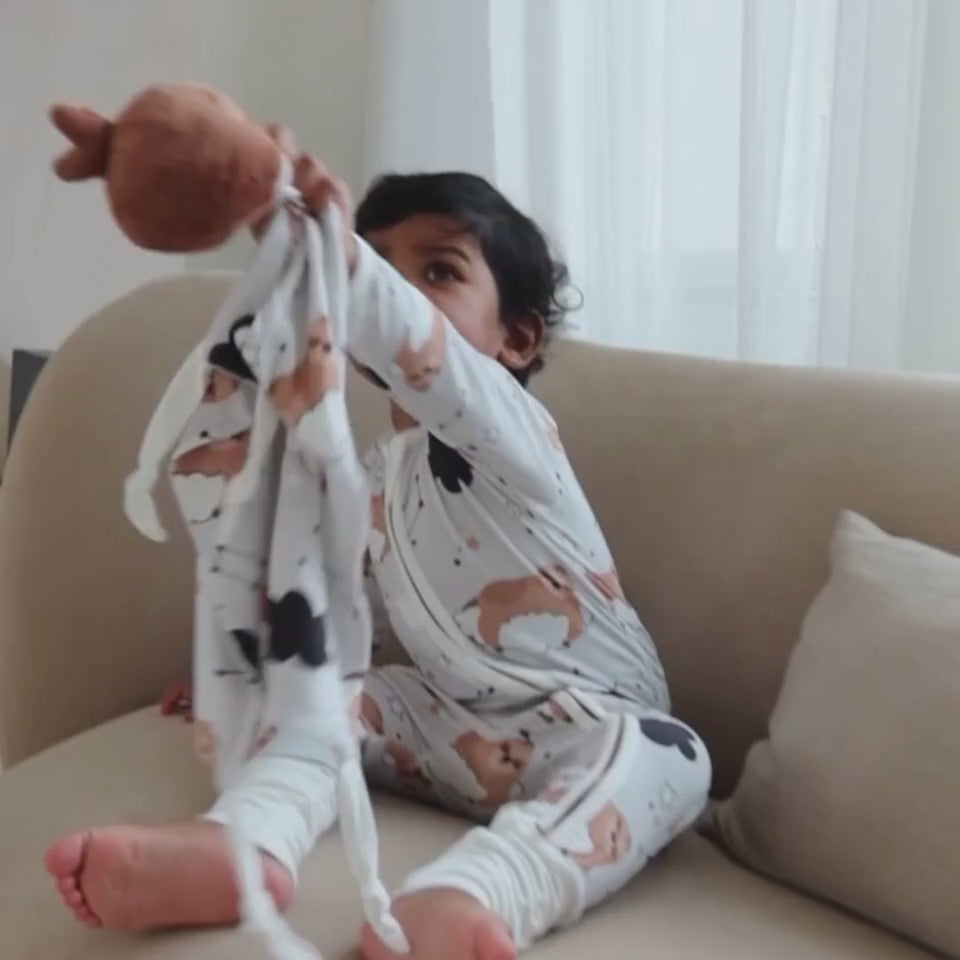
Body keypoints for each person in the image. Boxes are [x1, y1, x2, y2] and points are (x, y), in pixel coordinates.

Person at [44, 164, 711, 960]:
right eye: (382, 264)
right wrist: (246, 669)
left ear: (518, 338)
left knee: (675, 754)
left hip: (587, 725)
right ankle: (246, 842)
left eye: (439, 272)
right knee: (323, 688)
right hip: (445, 732)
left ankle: (480, 892)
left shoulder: (518, 437)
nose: (396, 291)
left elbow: (424, 352)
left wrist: (325, 246)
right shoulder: (374, 478)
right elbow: (326, 605)